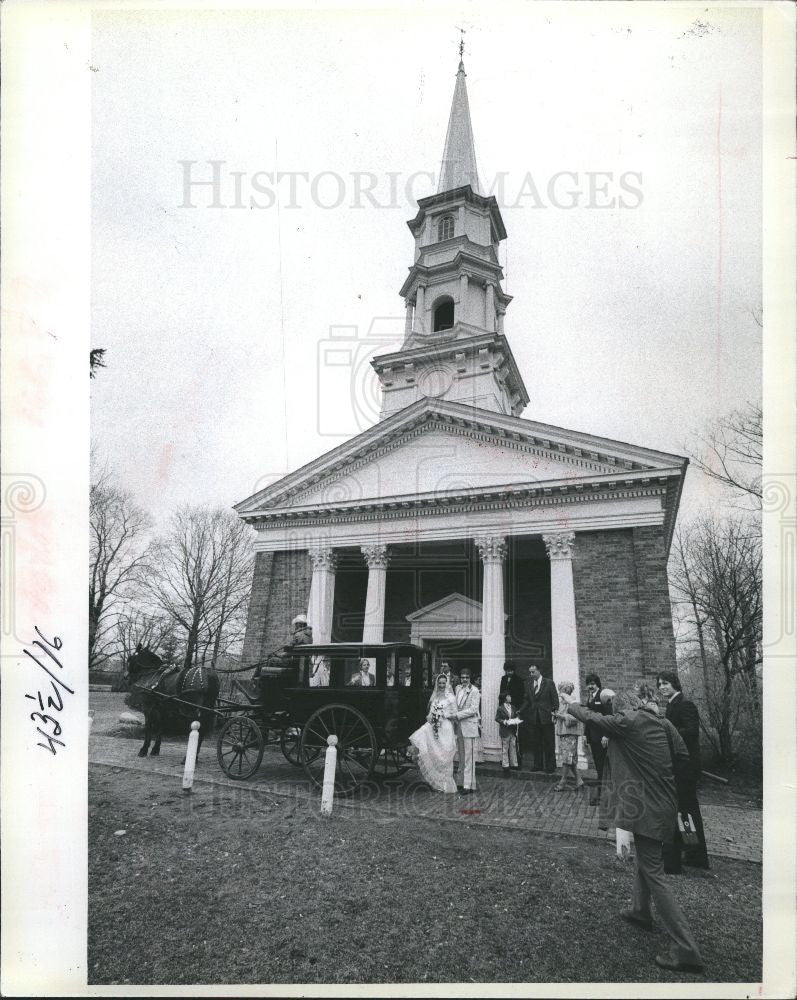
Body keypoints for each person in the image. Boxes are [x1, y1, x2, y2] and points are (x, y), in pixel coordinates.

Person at [567, 690, 705, 974]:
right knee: (646, 857)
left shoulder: (629, 721)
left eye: (619, 711)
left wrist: (571, 706)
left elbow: (593, 717)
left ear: (625, 709)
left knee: (654, 871)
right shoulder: (663, 723)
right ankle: (640, 911)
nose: (619, 716)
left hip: (647, 809)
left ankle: (686, 949)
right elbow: (682, 754)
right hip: (665, 802)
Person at [657, 671, 710, 872]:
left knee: (688, 811)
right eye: (660, 684)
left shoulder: (685, 704)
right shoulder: (671, 704)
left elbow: (692, 730)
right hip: (678, 767)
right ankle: (685, 851)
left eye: (665, 683)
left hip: (686, 767)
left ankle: (697, 855)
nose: (662, 687)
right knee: (680, 810)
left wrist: (666, 731)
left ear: (675, 684)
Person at [409, 673, 458, 793]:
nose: (441, 685)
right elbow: (430, 713)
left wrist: (443, 715)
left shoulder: (451, 698)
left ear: (447, 684)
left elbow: (455, 714)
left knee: (444, 756)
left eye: (443, 683)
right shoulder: (435, 697)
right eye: (439, 683)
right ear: (437, 683)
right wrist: (432, 717)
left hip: (445, 727)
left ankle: (445, 785)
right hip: (434, 726)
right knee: (422, 735)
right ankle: (436, 782)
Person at [583, 672, 615, 805]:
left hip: (602, 738)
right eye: (589, 684)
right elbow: (587, 719)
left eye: (593, 684)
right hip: (593, 736)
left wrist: (606, 735)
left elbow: (609, 717)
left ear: (597, 684)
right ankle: (602, 794)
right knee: (599, 766)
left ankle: (603, 796)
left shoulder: (603, 696)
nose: (590, 687)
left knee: (602, 766)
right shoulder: (589, 697)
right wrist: (586, 735)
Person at [520, 663, 559, 773]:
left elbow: (555, 700)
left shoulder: (549, 683)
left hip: (546, 717)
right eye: (530, 672)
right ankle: (538, 765)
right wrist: (520, 710)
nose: (531, 674)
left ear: (539, 671)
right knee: (536, 742)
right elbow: (527, 700)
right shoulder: (529, 684)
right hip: (534, 717)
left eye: (533, 672)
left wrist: (554, 713)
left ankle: (550, 766)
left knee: (548, 742)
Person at [553, 681, 584, 791]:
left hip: (570, 734)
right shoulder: (562, 703)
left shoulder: (573, 702)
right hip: (563, 733)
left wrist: (561, 716)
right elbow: (560, 716)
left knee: (567, 759)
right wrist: (556, 716)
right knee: (570, 759)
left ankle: (563, 782)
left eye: (561, 690)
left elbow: (576, 718)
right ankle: (579, 781)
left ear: (566, 691)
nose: (559, 692)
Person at [453, 666, 480, 793]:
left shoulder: (475, 691)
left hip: (469, 726)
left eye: (467, 677)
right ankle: (460, 782)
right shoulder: (457, 688)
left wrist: (457, 715)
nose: (464, 680)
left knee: (470, 757)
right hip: (459, 727)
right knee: (461, 756)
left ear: (470, 678)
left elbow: (474, 709)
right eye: (462, 677)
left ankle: (469, 786)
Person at [495, 691, 522, 775]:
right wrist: (504, 721)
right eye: (509, 696)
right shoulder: (500, 708)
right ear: (505, 698)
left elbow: (516, 716)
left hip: (512, 730)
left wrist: (517, 719)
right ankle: (505, 765)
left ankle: (514, 763)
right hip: (505, 730)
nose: (510, 697)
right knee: (505, 748)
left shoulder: (513, 707)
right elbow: (497, 718)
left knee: (513, 746)